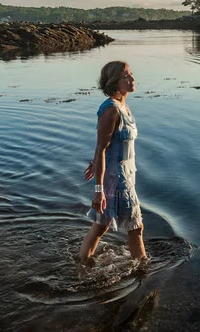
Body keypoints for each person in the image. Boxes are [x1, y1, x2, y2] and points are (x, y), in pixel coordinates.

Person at [79, 60, 146, 261]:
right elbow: (101, 147)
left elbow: (107, 147)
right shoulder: (111, 110)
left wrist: (96, 162)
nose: (132, 78)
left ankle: (83, 263)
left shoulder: (123, 107)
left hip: (124, 175)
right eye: (126, 76)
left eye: (131, 74)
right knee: (136, 227)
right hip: (117, 181)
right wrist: (98, 191)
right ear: (115, 82)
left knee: (101, 225)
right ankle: (143, 270)